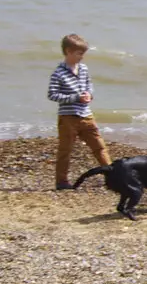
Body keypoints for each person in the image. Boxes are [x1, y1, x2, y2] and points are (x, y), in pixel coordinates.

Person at [48, 33, 112, 190]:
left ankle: (113, 175)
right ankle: (61, 182)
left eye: (83, 53)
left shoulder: (83, 69)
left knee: (99, 146)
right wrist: (75, 97)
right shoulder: (59, 73)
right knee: (65, 150)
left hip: (86, 115)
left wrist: (90, 94)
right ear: (68, 51)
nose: (82, 57)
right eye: (79, 53)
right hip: (68, 117)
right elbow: (52, 95)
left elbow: (89, 85)